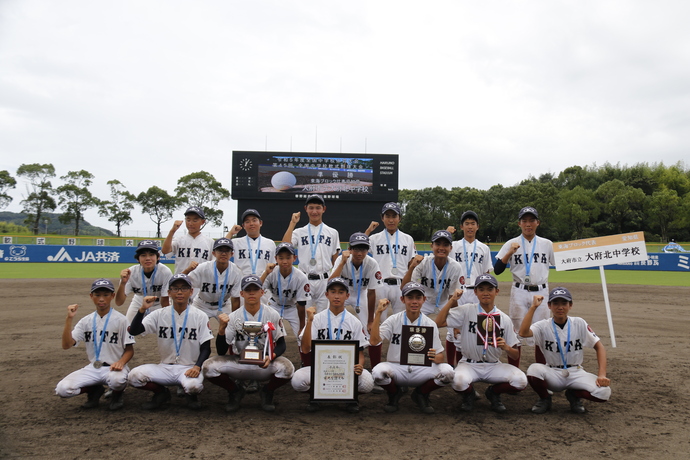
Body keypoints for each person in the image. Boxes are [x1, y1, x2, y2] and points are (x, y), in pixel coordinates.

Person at [202, 275, 295, 413]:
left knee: (288, 369)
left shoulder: (272, 314)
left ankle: (267, 391)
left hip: (265, 363)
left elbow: (281, 344)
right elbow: (221, 351)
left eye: (255, 289)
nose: (252, 293)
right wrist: (221, 329)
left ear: (262, 292)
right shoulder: (234, 317)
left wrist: (272, 356)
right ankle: (235, 391)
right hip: (240, 362)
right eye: (248, 290)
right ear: (241, 294)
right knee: (208, 367)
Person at [436, 274, 527, 413]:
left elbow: (515, 355)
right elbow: (439, 322)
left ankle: (493, 393)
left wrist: (506, 347)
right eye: (481, 289)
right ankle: (470, 394)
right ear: (475, 292)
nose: (485, 293)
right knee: (458, 382)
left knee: (521, 381)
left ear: (496, 291)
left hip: (493, 365)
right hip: (469, 364)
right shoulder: (466, 310)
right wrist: (452, 300)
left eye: (490, 289)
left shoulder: (504, 319)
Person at [519, 287, 612, 414]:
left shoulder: (579, 323)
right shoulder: (542, 325)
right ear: (549, 306)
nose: (560, 307)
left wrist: (602, 375)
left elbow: (599, 347)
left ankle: (574, 395)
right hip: (553, 372)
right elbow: (523, 333)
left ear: (570, 305)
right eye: (555, 303)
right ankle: (545, 398)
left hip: (576, 372)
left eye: (564, 303)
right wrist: (533, 307)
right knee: (533, 370)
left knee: (604, 392)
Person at [127, 274, 213, 410]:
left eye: (184, 288)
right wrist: (142, 310)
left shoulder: (200, 316)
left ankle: (191, 395)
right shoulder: (159, 314)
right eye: (175, 288)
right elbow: (134, 331)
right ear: (169, 293)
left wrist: (197, 367)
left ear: (191, 292)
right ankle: (161, 393)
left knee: (194, 387)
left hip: (189, 368)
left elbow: (206, 347)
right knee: (133, 377)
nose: (179, 292)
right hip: (164, 367)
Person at [291, 277, 374, 413]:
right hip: (320, 369)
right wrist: (310, 322)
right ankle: (315, 396)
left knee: (368, 382)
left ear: (347, 296)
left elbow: (359, 353)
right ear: (326, 295)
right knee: (297, 380)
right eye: (333, 291)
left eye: (341, 292)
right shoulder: (316, 319)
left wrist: (360, 365)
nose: (337, 296)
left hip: (346, 370)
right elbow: (305, 349)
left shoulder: (354, 322)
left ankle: (351, 398)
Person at [370, 282, 454, 414]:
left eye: (418, 297)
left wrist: (434, 356)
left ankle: (421, 393)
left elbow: (440, 357)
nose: (414, 301)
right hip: (397, 368)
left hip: (421, 370)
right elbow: (374, 341)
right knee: (377, 372)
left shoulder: (429, 324)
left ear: (424, 300)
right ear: (402, 299)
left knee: (448, 372)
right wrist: (378, 313)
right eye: (410, 297)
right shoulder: (393, 320)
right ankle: (394, 393)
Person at [55, 279, 135, 411]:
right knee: (62, 390)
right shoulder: (85, 321)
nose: (101, 299)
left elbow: (129, 350)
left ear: (112, 296)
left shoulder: (121, 320)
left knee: (117, 381)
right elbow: (66, 345)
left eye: (106, 295)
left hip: (114, 368)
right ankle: (94, 390)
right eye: (97, 295)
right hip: (93, 368)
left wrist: (121, 362)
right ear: (91, 297)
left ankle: (117, 395)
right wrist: (69, 319)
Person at [494, 206, 554, 366]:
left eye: (531, 221)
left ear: (537, 223)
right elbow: (498, 269)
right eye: (524, 221)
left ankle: (541, 373)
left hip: (541, 290)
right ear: (519, 224)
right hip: (519, 291)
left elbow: (562, 263)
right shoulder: (511, 243)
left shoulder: (547, 244)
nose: (528, 224)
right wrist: (509, 253)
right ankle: (514, 371)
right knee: (516, 332)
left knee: (542, 331)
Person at [445, 210, 494, 366]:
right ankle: (453, 366)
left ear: (477, 227)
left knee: (476, 325)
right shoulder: (454, 246)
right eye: (467, 224)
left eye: (473, 223)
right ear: (461, 226)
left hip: (476, 291)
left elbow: (486, 273)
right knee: (453, 329)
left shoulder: (484, 248)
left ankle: (474, 361)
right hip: (458, 290)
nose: (470, 227)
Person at [282, 194, 341, 312]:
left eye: (318, 208)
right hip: (304, 278)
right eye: (311, 207)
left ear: (323, 209)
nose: (314, 211)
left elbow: (336, 260)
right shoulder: (299, 232)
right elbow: (285, 246)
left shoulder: (333, 232)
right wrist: (292, 223)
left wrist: (335, 282)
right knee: (303, 317)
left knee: (324, 317)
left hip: (324, 279)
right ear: (306, 209)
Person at [365, 202, 418, 320]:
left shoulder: (408, 239)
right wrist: (368, 231)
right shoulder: (374, 238)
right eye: (387, 216)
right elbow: (356, 248)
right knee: (380, 320)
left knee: (401, 320)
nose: (391, 220)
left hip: (401, 284)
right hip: (380, 284)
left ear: (399, 218)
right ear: (382, 218)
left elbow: (411, 262)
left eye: (394, 216)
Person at [261, 242, 311, 365]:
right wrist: (265, 273)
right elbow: (258, 289)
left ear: (294, 258)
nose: (285, 261)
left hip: (293, 307)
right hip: (274, 305)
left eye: (288, 257)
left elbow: (301, 304)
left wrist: (301, 327)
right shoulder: (271, 273)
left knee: (302, 335)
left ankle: (305, 362)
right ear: (275, 259)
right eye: (281, 258)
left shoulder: (301, 277)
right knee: (266, 333)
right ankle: (265, 358)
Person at [402, 230, 462, 316]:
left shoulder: (455, 267)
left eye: (445, 245)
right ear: (432, 246)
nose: (441, 248)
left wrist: (455, 322)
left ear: (451, 248)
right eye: (438, 244)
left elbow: (452, 297)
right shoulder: (423, 263)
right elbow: (404, 287)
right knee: (412, 323)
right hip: (424, 302)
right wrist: (412, 267)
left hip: (443, 302)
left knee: (455, 324)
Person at [116, 240, 172, 323]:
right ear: (138, 258)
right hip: (139, 301)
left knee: (166, 328)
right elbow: (119, 302)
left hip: (159, 302)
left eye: (151, 254)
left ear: (158, 257)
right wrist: (123, 284)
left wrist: (167, 317)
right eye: (143, 255)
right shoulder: (131, 273)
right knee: (128, 328)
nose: (148, 258)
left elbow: (164, 299)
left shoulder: (165, 272)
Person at [184, 238, 242, 318]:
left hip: (224, 305)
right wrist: (187, 270)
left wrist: (234, 318)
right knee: (194, 326)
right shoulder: (203, 268)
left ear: (232, 254)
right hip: (202, 304)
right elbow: (183, 282)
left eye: (227, 251)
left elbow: (235, 299)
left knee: (229, 328)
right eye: (220, 250)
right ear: (213, 253)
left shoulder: (236, 271)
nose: (223, 254)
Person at [162, 206, 215, 275]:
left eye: (195, 220)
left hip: (201, 282)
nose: (191, 223)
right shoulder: (179, 240)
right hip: (180, 282)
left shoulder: (210, 242)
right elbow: (165, 251)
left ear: (203, 222)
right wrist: (172, 231)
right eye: (188, 220)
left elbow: (213, 265)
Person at [225, 208, 277, 277]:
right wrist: (231, 233)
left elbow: (274, 265)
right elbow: (222, 247)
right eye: (247, 221)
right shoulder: (236, 242)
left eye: (254, 220)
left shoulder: (270, 243)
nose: (251, 224)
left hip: (264, 282)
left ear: (260, 223)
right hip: (241, 282)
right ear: (243, 226)